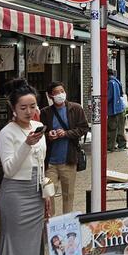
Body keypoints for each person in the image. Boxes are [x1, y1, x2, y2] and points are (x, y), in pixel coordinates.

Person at [0, 80, 47, 255]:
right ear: (13, 109)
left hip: (36, 192)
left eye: (33, 106)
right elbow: (8, 168)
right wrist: (26, 144)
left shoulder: (38, 127)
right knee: (14, 244)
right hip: (15, 194)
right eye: (23, 108)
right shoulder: (7, 132)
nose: (29, 111)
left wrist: (46, 191)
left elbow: (42, 162)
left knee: (35, 243)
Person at [40, 82, 89, 214]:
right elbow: (39, 133)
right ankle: (50, 220)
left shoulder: (76, 108)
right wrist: (48, 135)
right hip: (50, 162)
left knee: (69, 194)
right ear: (50, 96)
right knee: (49, 193)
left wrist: (67, 133)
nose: (60, 94)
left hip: (69, 160)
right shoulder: (45, 113)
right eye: (56, 93)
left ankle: (66, 222)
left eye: (62, 91)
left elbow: (84, 128)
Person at [107, 67, 127, 151]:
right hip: (120, 108)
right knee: (120, 128)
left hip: (114, 109)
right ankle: (122, 145)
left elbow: (109, 96)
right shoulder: (117, 81)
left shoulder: (111, 83)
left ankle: (110, 146)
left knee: (112, 128)